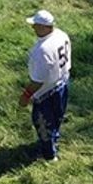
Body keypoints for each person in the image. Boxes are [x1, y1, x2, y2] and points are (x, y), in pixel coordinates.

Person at [18, 10, 71, 162]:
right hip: (63, 83)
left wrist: (25, 96)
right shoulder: (61, 34)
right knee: (57, 117)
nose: (33, 27)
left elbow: (38, 81)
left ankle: (49, 155)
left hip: (46, 93)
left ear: (44, 27)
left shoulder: (41, 51)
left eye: (35, 25)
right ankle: (55, 139)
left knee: (43, 124)